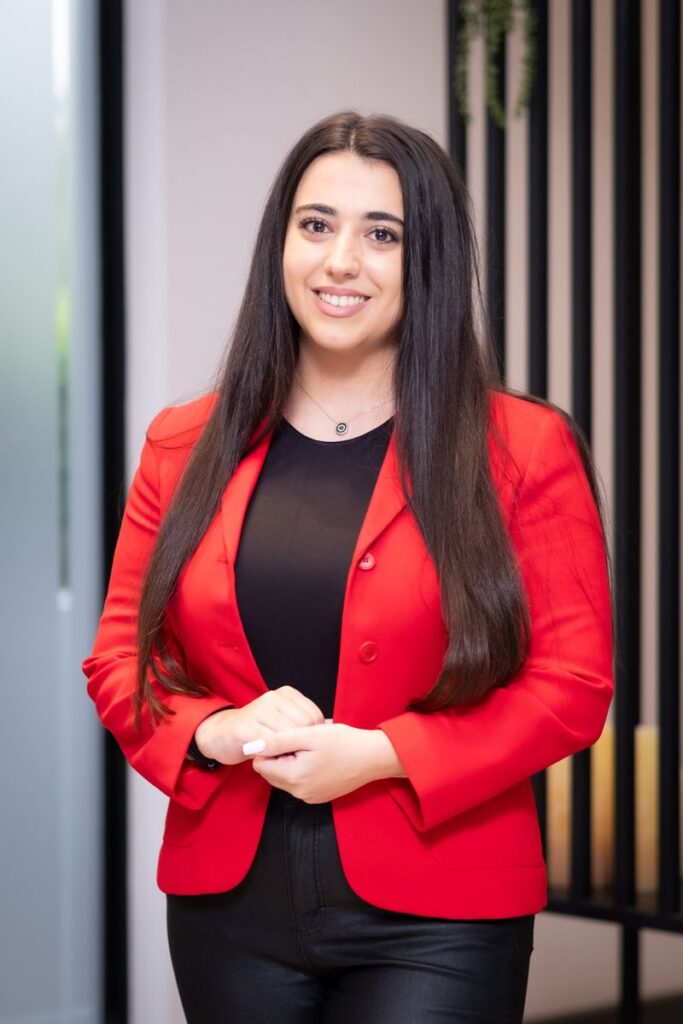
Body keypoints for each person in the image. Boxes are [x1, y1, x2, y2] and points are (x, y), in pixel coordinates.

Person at [82, 109, 615, 1023]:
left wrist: (382, 754)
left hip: (442, 913)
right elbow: (120, 658)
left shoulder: (522, 447)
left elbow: (571, 685)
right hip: (228, 911)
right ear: (280, 243)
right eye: (316, 224)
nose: (339, 261)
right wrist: (216, 732)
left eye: (382, 235)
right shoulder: (182, 443)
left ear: (427, 260)